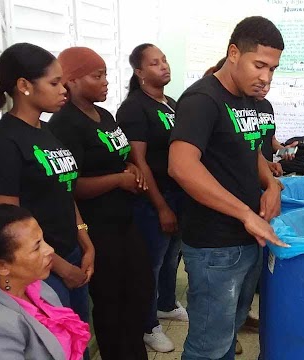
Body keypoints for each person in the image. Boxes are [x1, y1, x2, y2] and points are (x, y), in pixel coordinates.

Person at [168, 16, 288, 360]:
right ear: (233, 53)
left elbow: (249, 153)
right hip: (214, 246)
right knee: (209, 345)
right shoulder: (202, 100)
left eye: (273, 69)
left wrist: (271, 186)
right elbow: (181, 166)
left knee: (228, 332)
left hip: (247, 238)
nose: (266, 77)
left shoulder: (248, 101)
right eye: (259, 65)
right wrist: (246, 213)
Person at [0, 42, 94, 359]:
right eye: (54, 83)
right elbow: (8, 222)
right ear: (24, 86)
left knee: (76, 342)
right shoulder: (5, 141)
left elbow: (63, 189)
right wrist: (60, 266)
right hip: (38, 270)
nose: (64, 90)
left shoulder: (46, 131)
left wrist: (85, 241)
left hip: (69, 256)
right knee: (54, 348)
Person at [48, 46, 154, 360]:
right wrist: (118, 180)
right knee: (111, 304)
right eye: (98, 75)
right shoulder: (64, 125)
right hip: (97, 228)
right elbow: (72, 185)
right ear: (72, 80)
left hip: (124, 220)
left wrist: (131, 168)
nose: (106, 81)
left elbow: (119, 154)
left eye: (106, 73)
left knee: (139, 290)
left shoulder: (104, 114)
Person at [116, 43, 188, 353]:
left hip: (177, 192)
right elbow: (139, 161)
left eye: (165, 59)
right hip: (152, 197)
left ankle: (167, 304)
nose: (163, 66)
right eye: (155, 63)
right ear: (139, 71)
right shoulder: (135, 107)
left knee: (172, 255)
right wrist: (160, 205)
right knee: (151, 264)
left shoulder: (170, 103)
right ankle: (148, 325)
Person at [0, 204, 90, 360]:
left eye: (43, 240)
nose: (50, 250)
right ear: (1, 266)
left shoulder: (33, 285)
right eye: (37, 247)